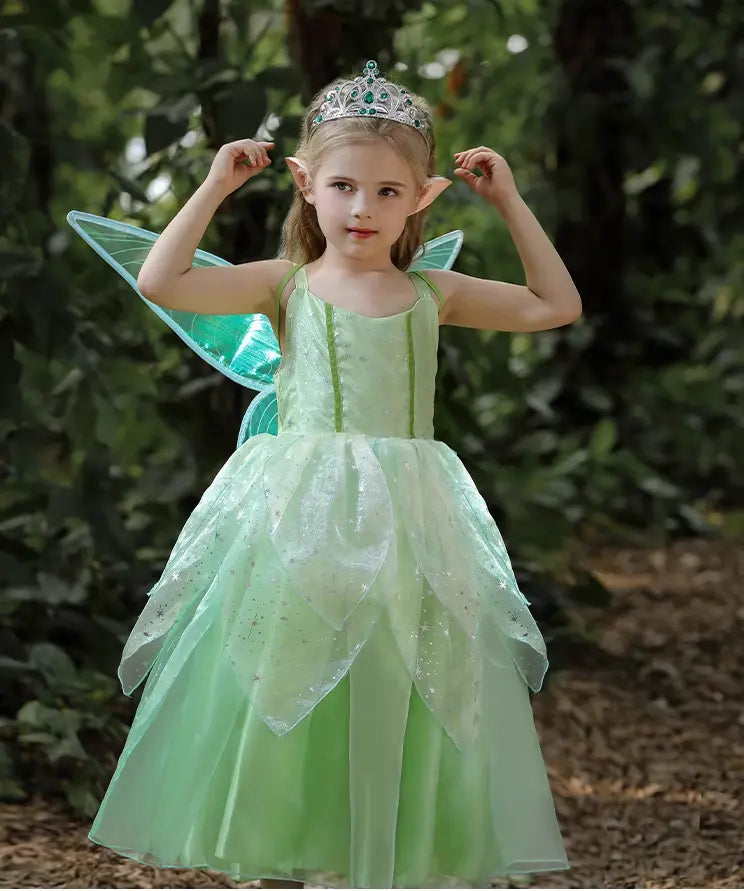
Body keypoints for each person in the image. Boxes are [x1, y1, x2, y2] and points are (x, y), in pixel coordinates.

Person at [85, 61, 581, 888]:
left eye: (389, 192)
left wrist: (510, 203)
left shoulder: (433, 291)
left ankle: (381, 859)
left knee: (404, 671)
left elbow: (553, 303)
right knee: (297, 674)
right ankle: (309, 851)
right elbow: (161, 279)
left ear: (423, 198)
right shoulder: (287, 286)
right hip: (302, 515)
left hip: (414, 519)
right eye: (345, 185)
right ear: (307, 184)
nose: (363, 208)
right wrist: (214, 185)